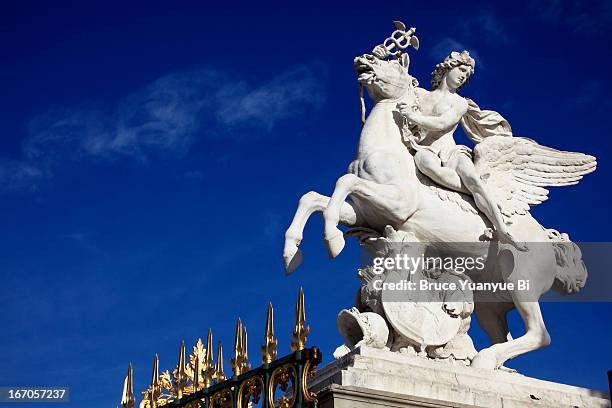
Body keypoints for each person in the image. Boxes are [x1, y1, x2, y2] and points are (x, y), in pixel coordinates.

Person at [397, 51, 526, 250]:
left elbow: (442, 123)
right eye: (461, 70)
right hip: (425, 149)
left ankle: (500, 226)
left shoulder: (460, 102)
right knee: (426, 164)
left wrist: (413, 117)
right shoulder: (420, 95)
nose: (463, 76)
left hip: (451, 153)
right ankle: (478, 195)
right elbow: (396, 81)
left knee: (472, 179)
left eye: (467, 74)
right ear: (448, 68)